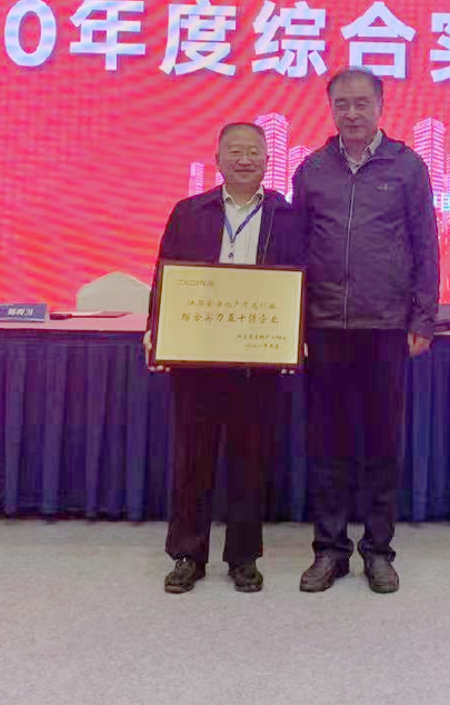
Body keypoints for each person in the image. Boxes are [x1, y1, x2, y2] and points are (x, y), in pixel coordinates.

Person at [291, 67, 440, 594]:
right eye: (342, 104)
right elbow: (297, 249)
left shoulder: (408, 167)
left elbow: (425, 246)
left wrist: (423, 316)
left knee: (381, 444)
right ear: (330, 108)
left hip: (385, 327)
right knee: (327, 444)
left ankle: (378, 551)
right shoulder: (312, 170)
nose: (351, 113)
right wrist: (294, 321)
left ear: (381, 106)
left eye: (361, 103)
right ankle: (330, 550)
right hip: (325, 326)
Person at [144, 122, 301, 594]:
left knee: (250, 459)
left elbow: (301, 279)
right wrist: (156, 330)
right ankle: (188, 555)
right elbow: (165, 275)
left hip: (256, 356)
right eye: (234, 151)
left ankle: (243, 557)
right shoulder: (189, 211)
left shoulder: (287, 216)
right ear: (217, 160)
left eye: (253, 151)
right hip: (197, 353)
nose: (244, 159)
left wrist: (296, 336)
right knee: (192, 457)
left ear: (268, 159)